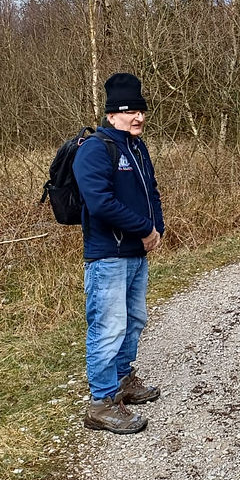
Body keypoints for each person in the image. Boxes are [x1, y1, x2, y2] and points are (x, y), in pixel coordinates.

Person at [73, 72, 164, 435]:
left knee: (134, 320)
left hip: (136, 253)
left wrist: (157, 228)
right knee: (108, 327)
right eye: (129, 112)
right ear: (112, 115)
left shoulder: (137, 148)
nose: (138, 117)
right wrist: (144, 229)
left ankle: (124, 380)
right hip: (107, 255)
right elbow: (100, 203)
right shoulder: (96, 148)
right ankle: (101, 402)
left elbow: (151, 191)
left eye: (141, 110)